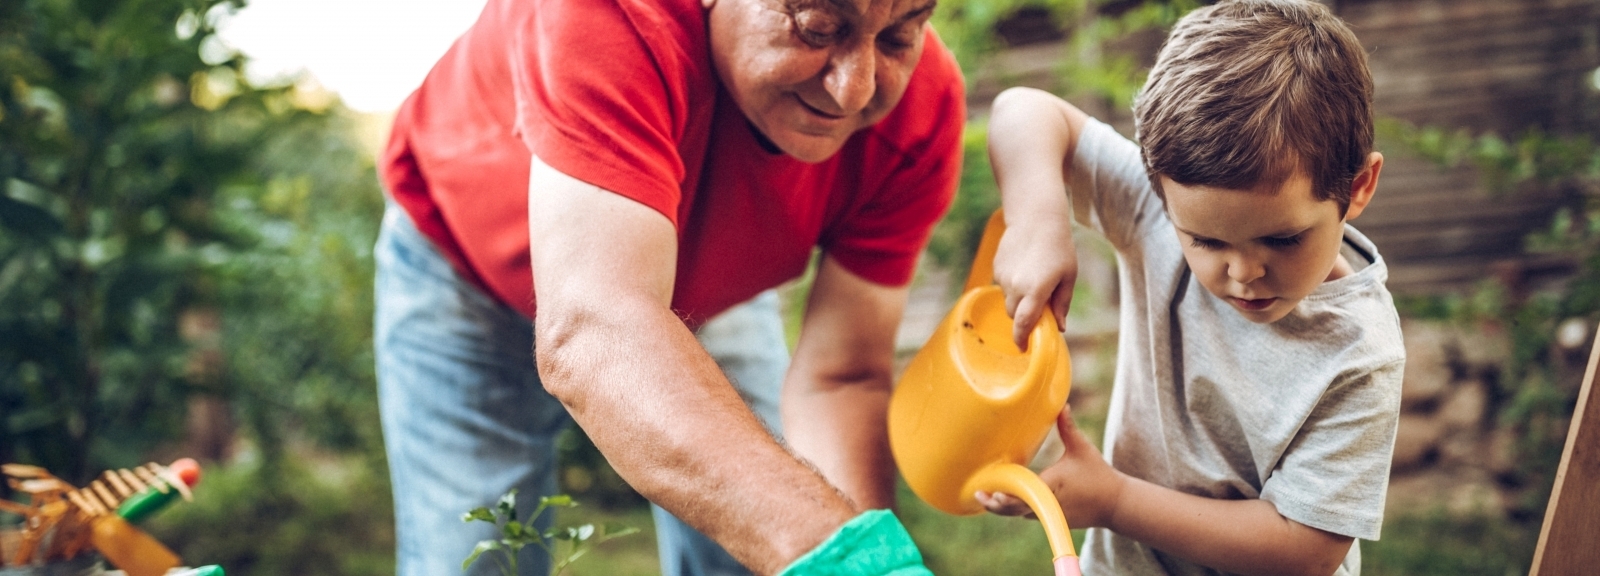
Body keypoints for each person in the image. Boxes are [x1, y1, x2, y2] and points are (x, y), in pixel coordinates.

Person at [372, 0, 965, 575]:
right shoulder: (607, 13)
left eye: (897, 37)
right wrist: (831, 556)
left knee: (768, 528)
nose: (855, 90)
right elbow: (594, 329)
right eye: (816, 27)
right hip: (463, 274)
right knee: (477, 556)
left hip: (698, 287)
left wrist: (868, 556)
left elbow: (842, 379)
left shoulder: (921, 111)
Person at [973, 1, 1405, 574]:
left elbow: (1304, 549)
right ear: (1161, 194)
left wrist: (1114, 500)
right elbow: (1021, 110)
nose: (1244, 272)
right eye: (1205, 242)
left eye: (1282, 240)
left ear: (1357, 187)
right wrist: (1037, 220)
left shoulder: (1360, 354)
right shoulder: (1153, 213)